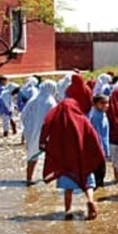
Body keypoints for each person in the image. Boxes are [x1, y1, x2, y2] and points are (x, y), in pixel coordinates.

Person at [40, 74, 104, 219]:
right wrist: (98, 154)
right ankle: (90, 201)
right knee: (88, 185)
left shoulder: (58, 123)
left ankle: (68, 210)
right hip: (83, 159)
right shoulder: (83, 120)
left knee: (68, 188)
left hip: (65, 161)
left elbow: (47, 129)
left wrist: (43, 144)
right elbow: (94, 138)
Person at [20, 80, 57, 185]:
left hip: (30, 132)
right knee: (50, 156)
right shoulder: (51, 102)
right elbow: (53, 119)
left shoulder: (33, 99)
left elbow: (23, 115)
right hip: (45, 133)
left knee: (32, 155)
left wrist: (28, 128)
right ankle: (49, 177)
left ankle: (29, 178)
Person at [88, 93, 110, 188]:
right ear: (95, 104)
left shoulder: (102, 114)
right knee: (99, 174)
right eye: (102, 103)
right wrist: (102, 150)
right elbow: (98, 135)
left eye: (107, 103)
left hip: (101, 148)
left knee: (101, 173)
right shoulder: (96, 117)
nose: (106, 105)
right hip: (98, 149)